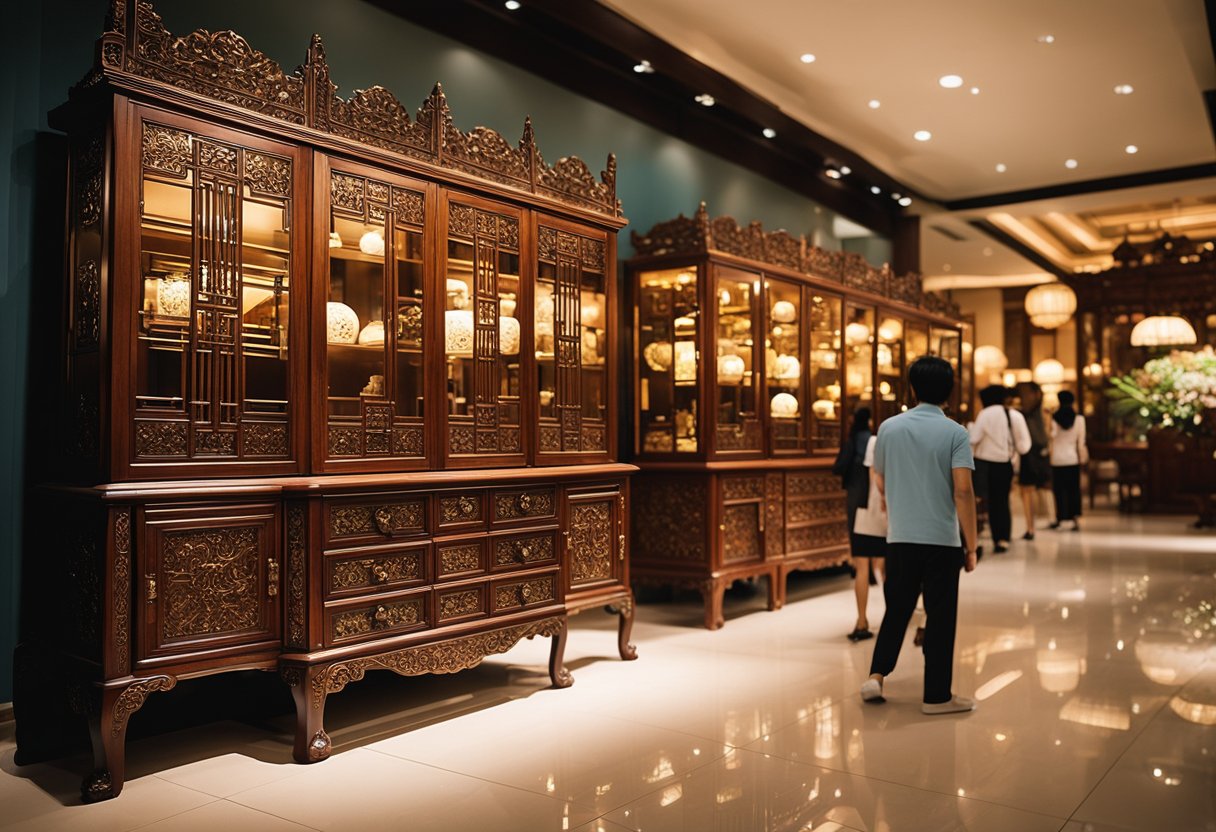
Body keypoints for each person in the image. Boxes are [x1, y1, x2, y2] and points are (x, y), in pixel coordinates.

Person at [861, 356, 980, 714]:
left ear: (912, 388)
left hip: (900, 537)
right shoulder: (955, 433)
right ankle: (936, 697)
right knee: (940, 615)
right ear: (949, 391)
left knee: (897, 608)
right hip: (941, 540)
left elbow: (879, 477)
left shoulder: (889, 428)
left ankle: (877, 676)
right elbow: (963, 491)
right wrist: (971, 546)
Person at [969, 385, 1031, 553]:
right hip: (1004, 464)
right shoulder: (1014, 415)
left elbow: (974, 439)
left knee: (981, 501)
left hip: (983, 463)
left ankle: (975, 537)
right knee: (1002, 501)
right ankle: (1002, 538)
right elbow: (1024, 446)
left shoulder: (985, 414)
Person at [834, 408, 876, 640]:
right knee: (885, 565)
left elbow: (838, 467)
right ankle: (896, 616)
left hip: (855, 503)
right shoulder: (875, 442)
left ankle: (861, 619)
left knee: (861, 564)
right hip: (877, 508)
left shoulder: (851, 441)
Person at [848, 431, 888, 641]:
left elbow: (871, 474)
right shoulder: (903, 440)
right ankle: (893, 619)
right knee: (889, 570)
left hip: (866, 511)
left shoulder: (875, 441)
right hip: (890, 514)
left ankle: (861, 620)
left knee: (861, 567)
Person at [1016, 382, 1052, 540]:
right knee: (1029, 490)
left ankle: (1032, 526)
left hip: (1033, 453)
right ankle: (1031, 526)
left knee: (1030, 490)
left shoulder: (1031, 412)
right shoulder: (1031, 412)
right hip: (1033, 453)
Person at [1049, 390, 1088, 531]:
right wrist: (1082, 459)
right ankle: (1074, 518)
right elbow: (1081, 442)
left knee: (1059, 490)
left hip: (1057, 459)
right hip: (1072, 458)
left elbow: (1052, 436)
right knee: (1073, 490)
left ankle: (1060, 518)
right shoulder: (1079, 419)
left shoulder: (1054, 418)